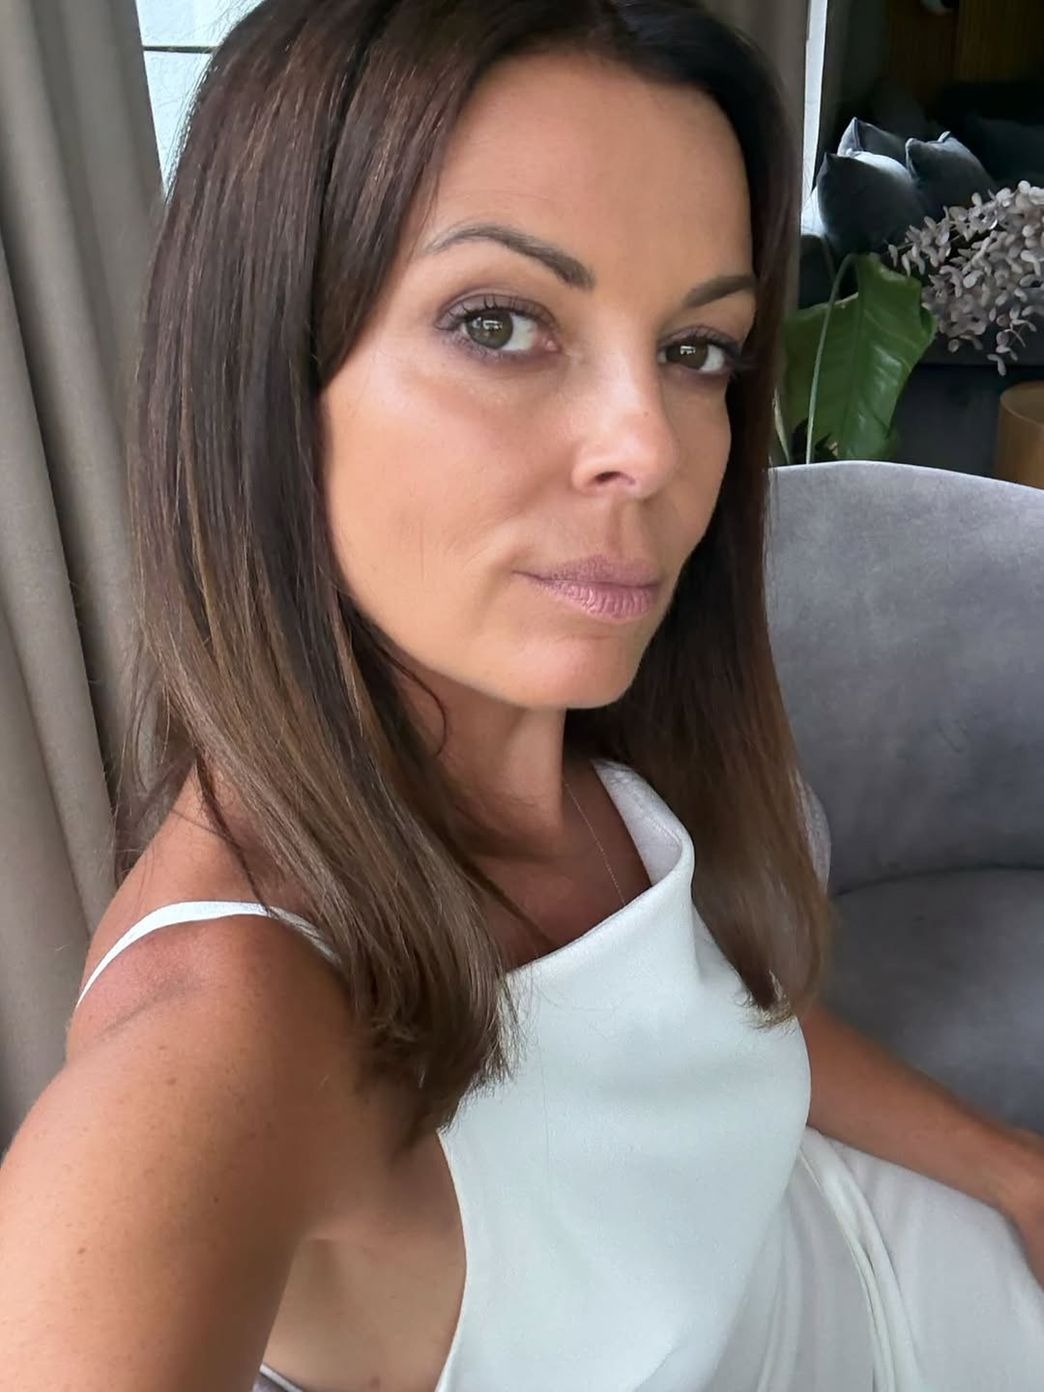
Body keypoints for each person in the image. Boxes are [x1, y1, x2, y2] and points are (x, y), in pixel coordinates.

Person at [0, 2, 1041, 1389]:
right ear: (268, 377)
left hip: (914, 1268)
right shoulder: (223, 1040)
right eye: (499, 323)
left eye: (697, 348)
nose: (650, 446)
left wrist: (1010, 1168)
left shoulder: (598, 748)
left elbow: (707, 1017)